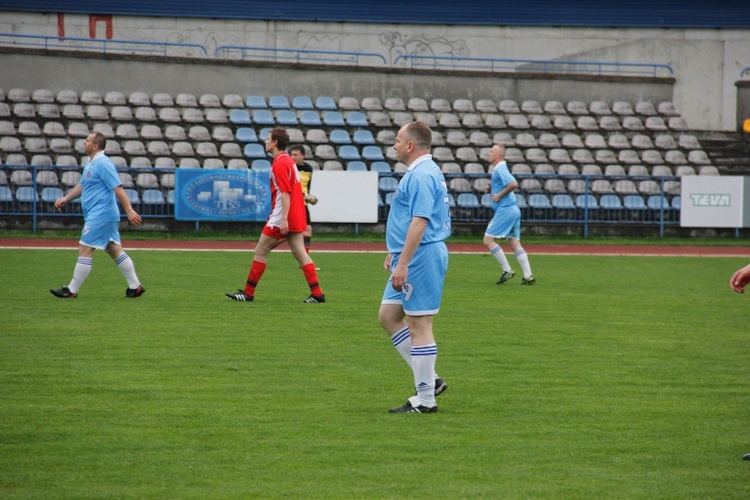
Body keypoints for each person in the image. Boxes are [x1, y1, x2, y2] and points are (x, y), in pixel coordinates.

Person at [379, 121, 451, 414]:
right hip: (410, 254)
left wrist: (404, 262)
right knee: (388, 316)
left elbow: (420, 222)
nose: (394, 145)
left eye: (397, 140)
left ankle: (426, 400)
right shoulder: (423, 171)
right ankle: (430, 380)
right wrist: (395, 253)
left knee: (419, 324)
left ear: (410, 145)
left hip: (421, 256)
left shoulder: (421, 174)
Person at [226, 128, 325, 303]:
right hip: (296, 212)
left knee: (261, 250)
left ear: (275, 142)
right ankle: (317, 294)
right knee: (300, 252)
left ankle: (248, 293)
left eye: (267, 138)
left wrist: (284, 218)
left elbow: (285, 193)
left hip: (282, 215)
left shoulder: (280, 163)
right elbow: (293, 189)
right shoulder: (288, 161)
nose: (265, 141)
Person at [49, 132, 145, 299]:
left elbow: (118, 188)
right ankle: (135, 286)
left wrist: (129, 210)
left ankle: (71, 290)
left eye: (87, 141)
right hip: (100, 214)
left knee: (85, 248)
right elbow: (82, 185)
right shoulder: (91, 163)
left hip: (101, 214)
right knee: (113, 249)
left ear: (95, 146)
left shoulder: (103, 164)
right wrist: (66, 198)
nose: (84, 143)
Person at [482, 144, 535, 285]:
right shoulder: (499, 169)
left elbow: (513, 183)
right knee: (514, 242)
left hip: (505, 209)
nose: (489, 154)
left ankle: (507, 270)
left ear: (498, 155)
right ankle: (528, 276)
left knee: (488, 240)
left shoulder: (499, 168)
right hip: (513, 209)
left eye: (491, 152)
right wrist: (491, 187)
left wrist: (498, 195)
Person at [289, 145, 318, 254]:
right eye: (291, 155)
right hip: (291, 203)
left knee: (307, 229)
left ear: (303, 156)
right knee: (286, 234)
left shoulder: (308, 168)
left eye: (295, 155)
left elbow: (306, 186)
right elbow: (290, 188)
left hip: (303, 203)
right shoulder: (289, 168)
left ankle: (305, 260)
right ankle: (264, 248)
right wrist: (306, 196)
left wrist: (308, 198)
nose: (293, 157)